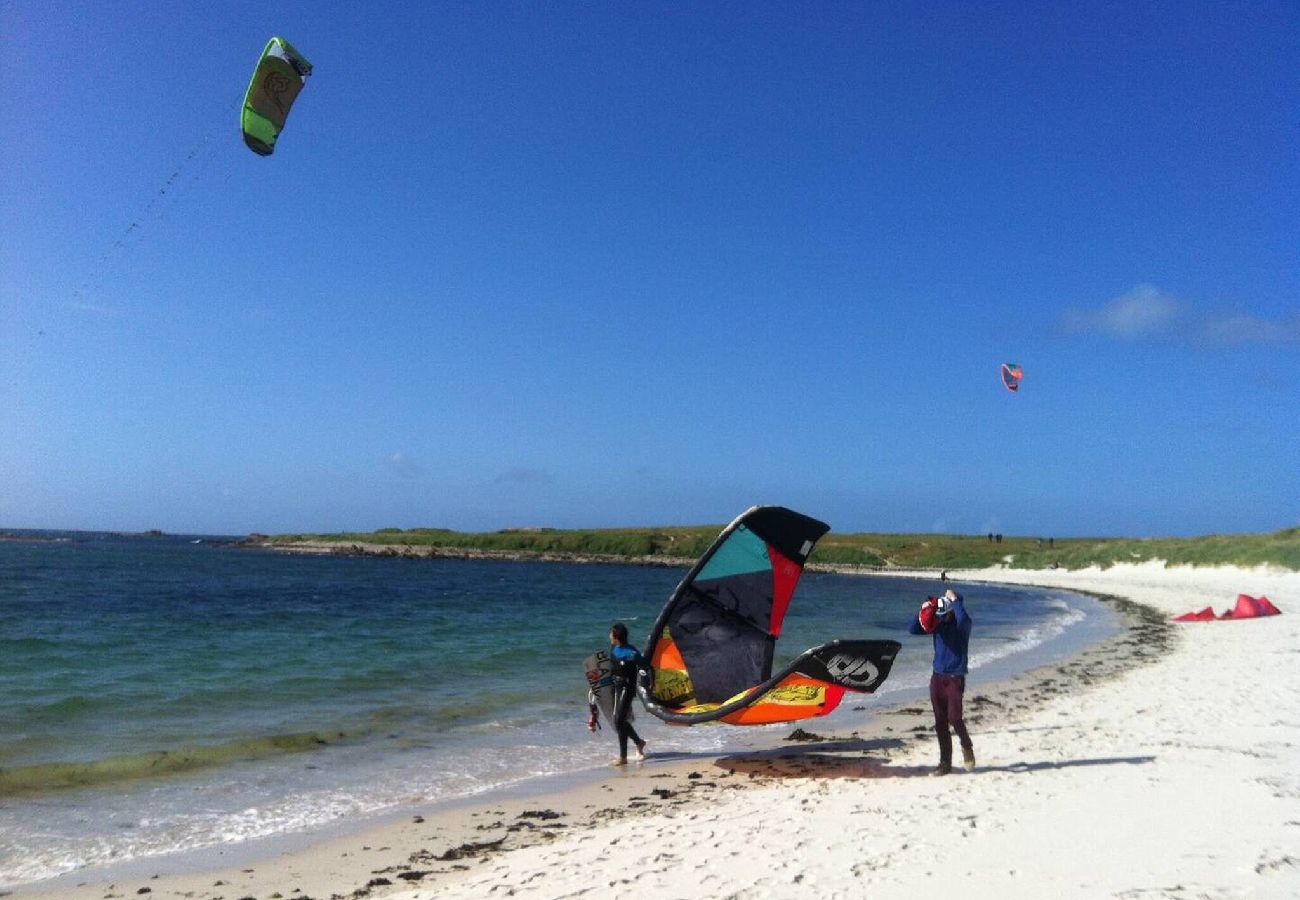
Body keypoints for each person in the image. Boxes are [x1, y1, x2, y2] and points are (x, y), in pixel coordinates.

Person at [908, 588, 975, 776]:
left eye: (946, 609)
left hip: (954, 678)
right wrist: (923, 610)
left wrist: (954, 600)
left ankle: (966, 745)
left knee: (955, 718)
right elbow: (913, 629)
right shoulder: (937, 624)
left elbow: (963, 619)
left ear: (953, 608)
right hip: (937, 677)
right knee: (940, 723)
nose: (942, 613)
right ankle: (945, 763)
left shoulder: (962, 626)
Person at [608, 622, 648, 766]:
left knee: (619, 721)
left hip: (627, 687)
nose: (609, 636)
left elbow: (645, 664)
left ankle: (623, 757)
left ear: (616, 636)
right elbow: (611, 667)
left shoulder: (631, 653)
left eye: (611, 634)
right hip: (615, 686)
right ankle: (639, 742)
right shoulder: (613, 648)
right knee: (619, 721)